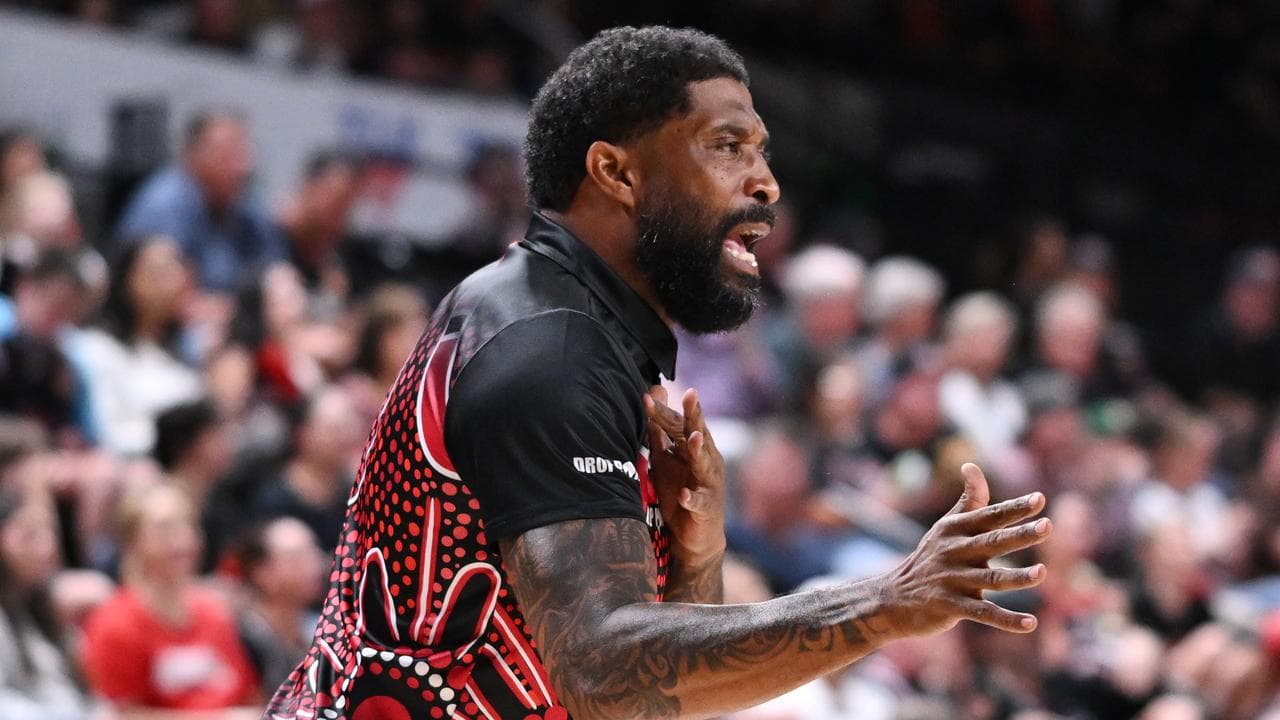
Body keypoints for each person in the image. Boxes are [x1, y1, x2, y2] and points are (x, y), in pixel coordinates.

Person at [266, 26, 1051, 720]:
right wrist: (885, 602)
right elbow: (606, 673)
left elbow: (651, 702)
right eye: (727, 146)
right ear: (617, 171)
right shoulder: (552, 352)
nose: (766, 182)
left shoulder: (575, 327)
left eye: (762, 151)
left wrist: (698, 548)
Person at [82, 482, 259, 711]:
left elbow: (247, 694)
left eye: (188, 526)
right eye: (165, 529)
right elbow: (121, 714)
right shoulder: (115, 623)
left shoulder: (213, 611)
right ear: (132, 542)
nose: (182, 540)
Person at [114, 109, 284, 293]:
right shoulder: (164, 204)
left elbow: (276, 273)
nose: (244, 166)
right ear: (195, 153)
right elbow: (155, 294)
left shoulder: (245, 208)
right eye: (230, 153)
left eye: (245, 152)